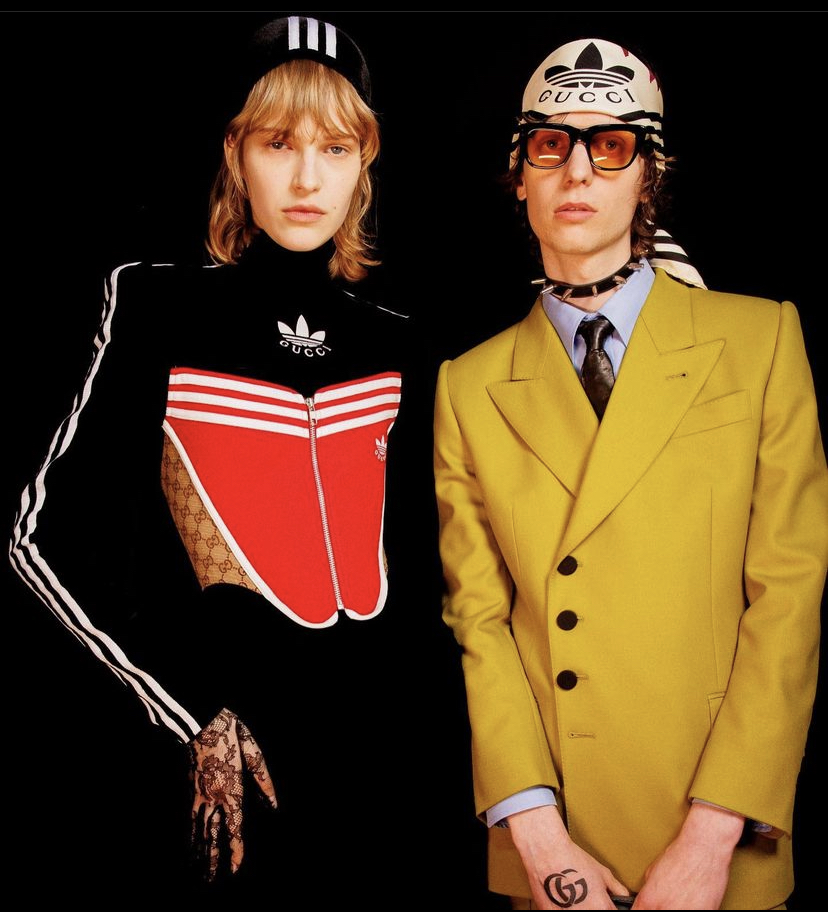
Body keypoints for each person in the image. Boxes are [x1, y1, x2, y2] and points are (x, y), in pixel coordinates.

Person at [9, 14, 476, 904]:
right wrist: (187, 710)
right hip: (233, 780)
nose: (307, 177)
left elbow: (441, 572)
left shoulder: (405, 345)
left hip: (394, 782)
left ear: (364, 165)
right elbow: (40, 538)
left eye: (335, 148)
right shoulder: (154, 305)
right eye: (277, 142)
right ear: (236, 153)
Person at [433, 36, 828, 911]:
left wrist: (711, 838)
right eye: (550, 145)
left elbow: (789, 597)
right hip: (556, 844)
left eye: (610, 146)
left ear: (648, 175)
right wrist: (539, 839)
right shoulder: (467, 384)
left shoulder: (760, 339)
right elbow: (479, 623)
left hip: (722, 835)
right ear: (520, 176)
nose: (577, 170)